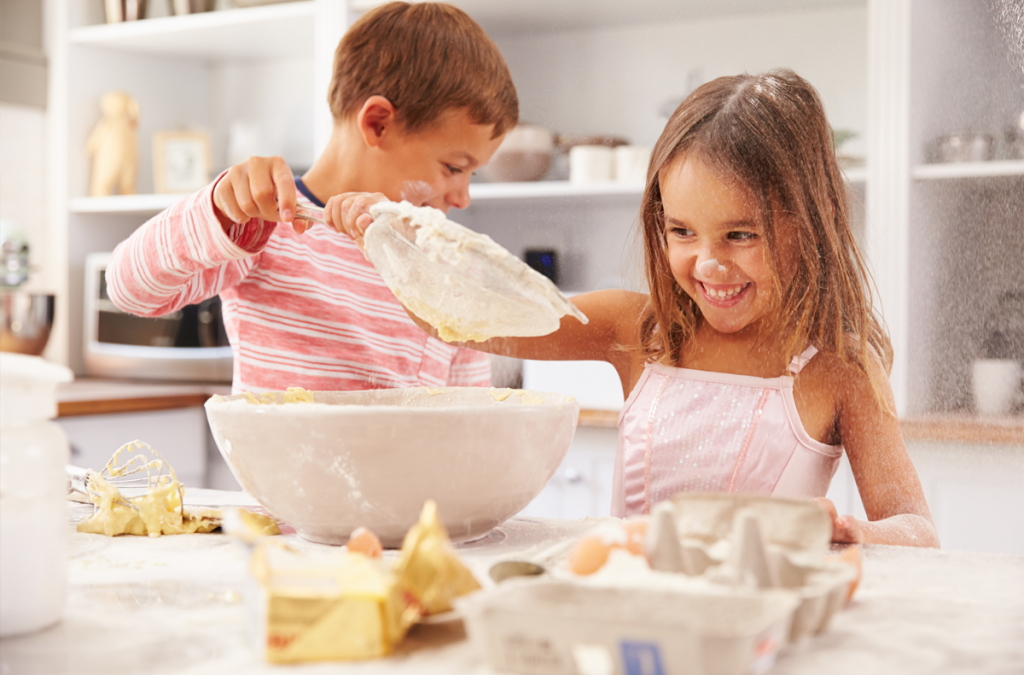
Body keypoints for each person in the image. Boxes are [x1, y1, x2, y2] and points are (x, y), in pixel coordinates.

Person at [329, 70, 939, 548]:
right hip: (628, 618)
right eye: (681, 231)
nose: (708, 264)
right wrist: (386, 241)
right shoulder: (638, 331)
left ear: (808, 226)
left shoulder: (838, 367)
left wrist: (858, 533)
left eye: (740, 235)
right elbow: (462, 321)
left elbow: (916, 528)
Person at [105, 2, 517, 393]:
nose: (463, 198)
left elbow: (471, 415)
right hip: (280, 470)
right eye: (453, 168)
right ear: (378, 124)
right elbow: (128, 288)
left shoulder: (450, 266)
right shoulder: (262, 227)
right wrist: (219, 210)